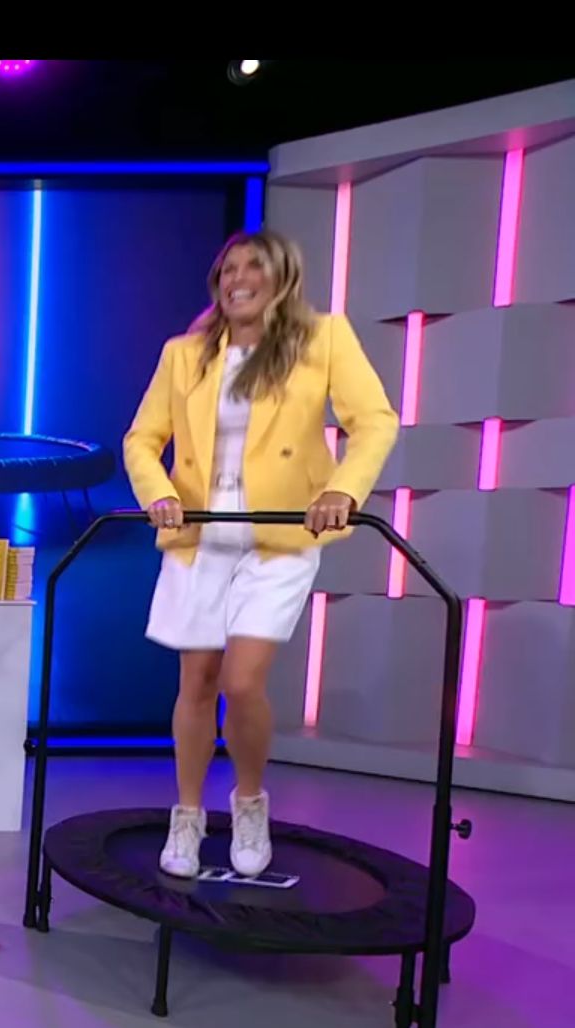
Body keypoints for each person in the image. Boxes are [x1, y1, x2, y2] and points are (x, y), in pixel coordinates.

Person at [122, 230, 398, 880]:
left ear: (282, 277)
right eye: (229, 269)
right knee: (197, 682)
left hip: (278, 538)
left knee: (242, 682)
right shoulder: (185, 353)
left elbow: (375, 421)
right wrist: (159, 493)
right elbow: (141, 439)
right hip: (200, 534)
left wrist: (341, 490)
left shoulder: (323, 339)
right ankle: (188, 815)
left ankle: (249, 803)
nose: (237, 278)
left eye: (253, 267)